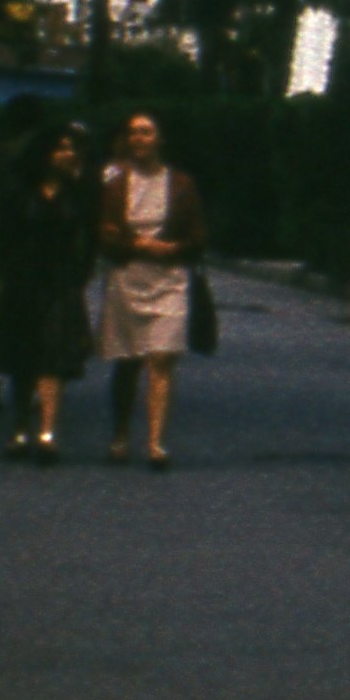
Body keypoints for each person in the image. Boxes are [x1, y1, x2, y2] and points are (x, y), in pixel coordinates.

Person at [0, 119, 104, 461]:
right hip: (21, 281)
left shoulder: (79, 194)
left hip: (60, 282)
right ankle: (19, 429)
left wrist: (81, 274)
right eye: (61, 148)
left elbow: (90, 238)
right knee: (22, 359)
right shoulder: (18, 193)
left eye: (71, 148)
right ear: (44, 153)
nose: (67, 154)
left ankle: (47, 432)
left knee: (53, 358)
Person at [96, 110, 207, 471]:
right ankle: (120, 433)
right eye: (133, 133)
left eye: (146, 132)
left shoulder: (181, 184)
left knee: (162, 357)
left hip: (169, 279)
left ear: (160, 139)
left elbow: (197, 235)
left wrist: (173, 250)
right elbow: (106, 233)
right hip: (128, 278)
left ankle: (156, 441)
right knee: (127, 362)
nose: (139, 139)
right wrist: (138, 245)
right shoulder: (115, 184)